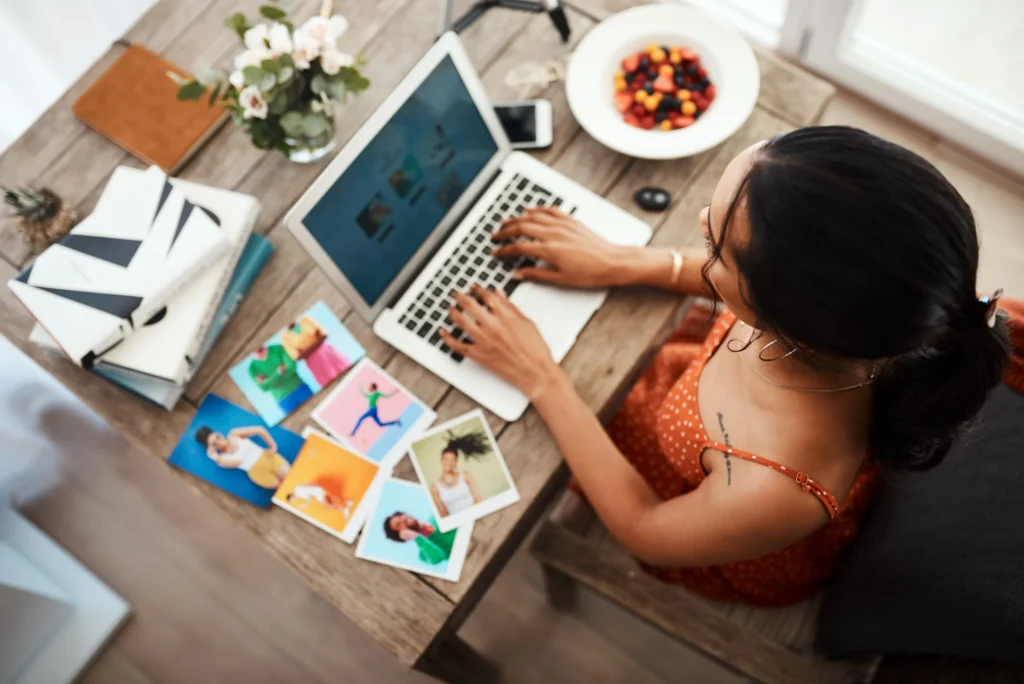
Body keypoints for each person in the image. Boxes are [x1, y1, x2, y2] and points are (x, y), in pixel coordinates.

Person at [438, 126, 1019, 606]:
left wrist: (540, 375)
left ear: (785, 313)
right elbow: (755, 276)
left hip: (712, 521)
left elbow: (643, 527)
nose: (697, 221)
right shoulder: (856, 325)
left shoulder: (779, 489)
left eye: (716, 246)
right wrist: (624, 261)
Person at [195, 424, 291, 489]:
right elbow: (238, 462)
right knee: (285, 489)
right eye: (214, 444)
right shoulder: (222, 460)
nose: (219, 442)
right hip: (257, 473)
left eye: (218, 437)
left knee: (292, 476)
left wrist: (273, 446)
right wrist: (214, 456)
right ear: (211, 448)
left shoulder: (233, 434)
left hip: (268, 458)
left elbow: (259, 429)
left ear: (218, 433)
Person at [427, 431, 487, 517]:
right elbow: (444, 513)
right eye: (446, 459)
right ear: (441, 460)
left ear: (456, 462)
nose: (449, 463)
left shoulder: (465, 475)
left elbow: (478, 498)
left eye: (452, 460)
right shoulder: (435, 487)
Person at [281, 315, 352, 387]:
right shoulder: (285, 338)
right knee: (333, 384)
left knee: (348, 372)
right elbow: (297, 357)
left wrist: (305, 350)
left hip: (328, 352)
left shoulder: (306, 320)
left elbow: (324, 334)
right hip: (315, 363)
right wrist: (317, 340)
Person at [248, 344, 314, 415]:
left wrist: (270, 381)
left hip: (300, 389)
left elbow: (292, 367)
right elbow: (264, 387)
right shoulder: (252, 368)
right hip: (284, 400)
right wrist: (278, 372)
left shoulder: (278, 349)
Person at [383, 511, 457, 566]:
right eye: (398, 524)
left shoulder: (435, 516)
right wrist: (415, 536)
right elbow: (437, 557)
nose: (403, 518)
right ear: (402, 535)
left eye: (400, 515)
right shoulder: (423, 555)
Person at [285, 474, 354, 517]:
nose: (294, 500)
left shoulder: (299, 492)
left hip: (318, 492)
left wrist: (303, 505)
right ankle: (347, 503)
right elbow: (306, 484)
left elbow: (310, 500)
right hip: (317, 492)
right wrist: (314, 484)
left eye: (292, 499)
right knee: (330, 501)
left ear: (291, 496)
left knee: (328, 503)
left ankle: (345, 507)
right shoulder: (296, 488)